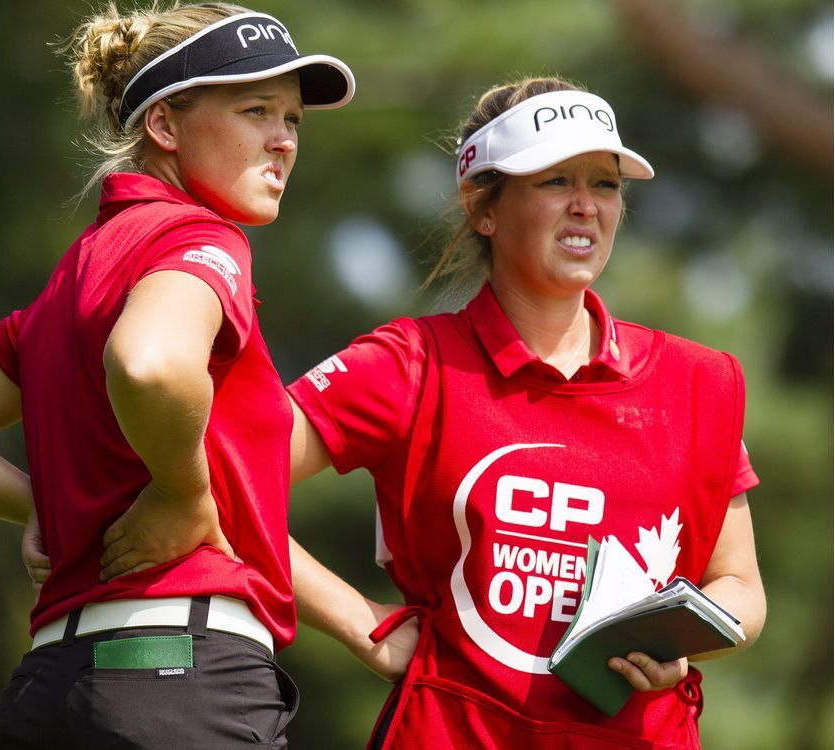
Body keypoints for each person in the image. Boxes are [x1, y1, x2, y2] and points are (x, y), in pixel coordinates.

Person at [0, 2, 354, 747]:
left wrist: (49, 508)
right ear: (164, 126)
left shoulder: (76, 275)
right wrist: (180, 492)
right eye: (257, 109)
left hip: (48, 687)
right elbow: (150, 363)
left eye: (293, 118)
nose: (283, 139)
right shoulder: (200, 236)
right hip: (181, 677)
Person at [285, 76, 767, 748]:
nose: (585, 207)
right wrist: (362, 622)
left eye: (604, 184)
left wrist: (684, 640)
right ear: (483, 207)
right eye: (553, 182)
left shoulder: (700, 383)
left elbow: (740, 584)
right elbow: (223, 472)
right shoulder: (410, 364)